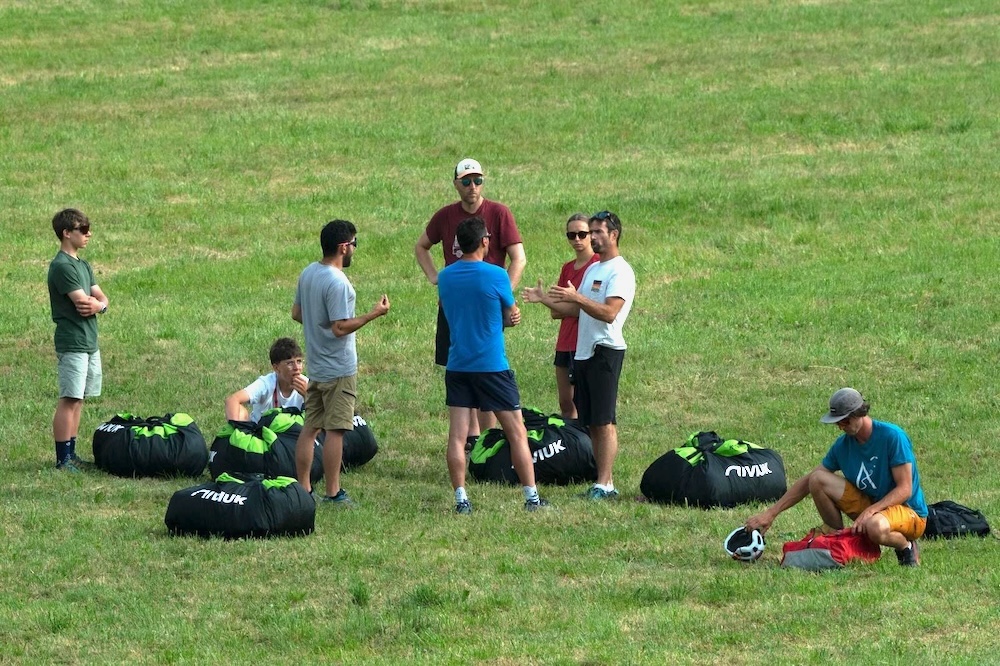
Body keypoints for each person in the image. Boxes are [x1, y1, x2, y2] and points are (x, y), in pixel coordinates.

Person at [437, 217, 548, 514]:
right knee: (516, 432)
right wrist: (511, 318)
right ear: (485, 241)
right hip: (491, 366)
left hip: (458, 365)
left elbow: (454, 315)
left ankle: (461, 499)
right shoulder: (497, 275)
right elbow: (509, 313)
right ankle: (531, 498)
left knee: (458, 436)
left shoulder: (446, 277)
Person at [745, 388, 928, 566]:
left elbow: (905, 489)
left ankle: (906, 546)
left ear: (860, 413)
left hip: (909, 512)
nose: (841, 426)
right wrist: (771, 513)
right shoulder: (843, 446)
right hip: (874, 509)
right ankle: (838, 540)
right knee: (817, 478)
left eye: (845, 421)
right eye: (837, 422)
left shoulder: (892, 436)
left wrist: (871, 511)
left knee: (874, 526)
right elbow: (809, 480)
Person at [415, 158, 526, 449]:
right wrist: (435, 278)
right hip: (455, 308)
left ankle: (487, 438)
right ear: (456, 185)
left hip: (488, 308)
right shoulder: (445, 216)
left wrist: (503, 295)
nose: (472, 187)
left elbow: (519, 258)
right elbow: (421, 246)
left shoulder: (499, 213)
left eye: (477, 181)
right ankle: (473, 437)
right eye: (466, 181)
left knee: (486, 368)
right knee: (461, 366)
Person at [291, 219, 390, 505]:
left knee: (310, 429)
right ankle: (333, 492)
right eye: (354, 245)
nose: (354, 251)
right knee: (336, 430)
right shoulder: (339, 283)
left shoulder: (309, 273)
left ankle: (303, 488)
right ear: (343, 247)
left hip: (318, 367)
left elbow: (297, 313)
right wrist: (373, 314)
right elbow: (340, 327)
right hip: (338, 368)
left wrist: (316, 325)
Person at [547, 211, 636, 500]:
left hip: (605, 352)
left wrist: (578, 298)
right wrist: (544, 299)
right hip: (584, 353)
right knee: (592, 421)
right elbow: (575, 310)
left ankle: (606, 484)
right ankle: (600, 480)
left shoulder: (620, 271)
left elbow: (610, 313)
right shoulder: (594, 270)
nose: (593, 237)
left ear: (614, 235)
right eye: (592, 232)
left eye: (598, 232)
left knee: (604, 420)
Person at [47, 208, 109, 472]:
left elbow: (101, 299)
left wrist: (101, 305)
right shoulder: (62, 267)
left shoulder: (83, 266)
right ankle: (63, 459)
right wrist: (97, 304)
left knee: (80, 398)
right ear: (66, 233)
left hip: (88, 341)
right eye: (83, 230)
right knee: (69, 398)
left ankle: (72, 452)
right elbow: (83, 303)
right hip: (72, 341)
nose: (88, 234)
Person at [521, 213, 598, 419]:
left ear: (592, 235)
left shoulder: (598, 265)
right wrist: (559, 301)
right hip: (564, 342)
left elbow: (580, 309)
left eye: (582, 234)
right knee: (565, 402)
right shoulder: (567, 268)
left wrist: (547, 299)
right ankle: (570, 445)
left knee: (583, 404)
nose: (577, 240)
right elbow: (557, 311)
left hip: (584, 342)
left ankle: (586, 446)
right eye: (571, 235)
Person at [225, 337, 309, 423]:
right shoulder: (267, 383)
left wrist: (308, 396)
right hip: (261, 432)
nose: (297, 368)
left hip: (292, 433)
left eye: (299, 361)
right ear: (276, 368)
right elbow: (232, 399)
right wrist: (235, 429)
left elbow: (319, 416)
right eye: (290, 363)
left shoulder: (307, 385)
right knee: (240, 412)